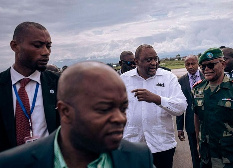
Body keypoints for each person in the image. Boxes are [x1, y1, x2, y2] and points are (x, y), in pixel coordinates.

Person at [0, 62, 154, 168]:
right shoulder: (13, 163)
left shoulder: (139, 158)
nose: (120, 118)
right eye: (103, 109)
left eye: (123, 108)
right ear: (65, 111)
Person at [121, 44, 187, 168]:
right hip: (133, 146)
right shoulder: (124, 80)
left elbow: (181, 107)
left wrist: (157, 99)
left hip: (162, 146)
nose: (153, 63)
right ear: (136, 61)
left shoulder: (168, 78)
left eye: (155, 59)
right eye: (148, 60)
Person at [0, 22, 60, 152]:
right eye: (37, 46)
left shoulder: (59, 84)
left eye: (48, 46)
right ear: (15, 46)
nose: (46, 52)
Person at [193, 48, 233, 168]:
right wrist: (198, 143)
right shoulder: (197, 89)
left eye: (211, 65)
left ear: (223, 64)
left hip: (230, 157)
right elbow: (197, 118)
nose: (206, 69)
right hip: (207, 156)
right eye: (203, 66)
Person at [176, 55, 203, 168]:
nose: (191, 66)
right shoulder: (181, 81)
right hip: (191, 123)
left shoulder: (207, 76)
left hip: (207, 122)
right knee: (194, 152)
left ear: (198, 64)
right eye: (188, 64)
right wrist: (179, 127)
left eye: (193, 64)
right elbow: (180, 105)